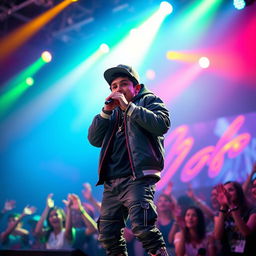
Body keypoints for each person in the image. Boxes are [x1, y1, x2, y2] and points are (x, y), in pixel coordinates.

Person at [88, 64, 170, 256]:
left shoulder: (149, 100)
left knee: (143, 228)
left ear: (136, 87)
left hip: (138, 178)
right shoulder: (111, 112)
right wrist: (105, 112)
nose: (118, 89)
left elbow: (162, 124)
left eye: (124, 84)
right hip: (111, 182)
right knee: (108, 235)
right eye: (114, 86)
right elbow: (94, 139)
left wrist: (129, 107)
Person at [214, 181, 256, 256]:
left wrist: (231, 205)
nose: (226, 194)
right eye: (225, 191)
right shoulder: (221, 212)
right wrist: (223, 206)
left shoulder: (252, 210)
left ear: (239, 193)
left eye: (230, 190)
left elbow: (246, 233)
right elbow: (217, 236)